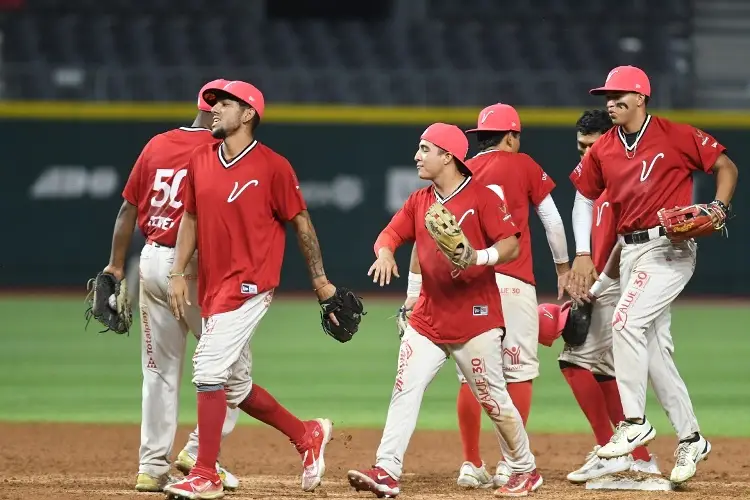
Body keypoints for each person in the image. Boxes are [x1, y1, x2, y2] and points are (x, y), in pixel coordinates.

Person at [348, 122, 542, 498]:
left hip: (477, 321)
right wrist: (386, 253)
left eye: (425, 149)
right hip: (428, 319)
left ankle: (525, 468)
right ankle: (387, 469)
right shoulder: (420, 200)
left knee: (494, 399)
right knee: (405, 389)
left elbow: (511, 244)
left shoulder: (482, 197)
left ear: (448, 156)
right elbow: (390, 234)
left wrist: (479, 257)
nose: (416, 156)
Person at [164, 80, 337, 500]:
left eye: (224, 104)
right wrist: (176, 272)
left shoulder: (273, 166)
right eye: (213, 104)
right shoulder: (201, 160)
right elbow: (189, 218)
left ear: (248, 115)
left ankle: (205, 473)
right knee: (236, 388)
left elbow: (301, 224)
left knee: (207, 371)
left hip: (250, 285)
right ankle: (307, 434)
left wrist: (320, 281)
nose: (214, 110)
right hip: (212, 287)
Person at [568, 65, 738, 484]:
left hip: (670, 247)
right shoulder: (602, 150)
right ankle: (691, 437)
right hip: (630, 252)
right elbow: (587, 199)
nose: (610, 102)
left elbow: (726, 166)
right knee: (656, 354)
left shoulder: (675, 134)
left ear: (641, 96)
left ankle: (633, 421)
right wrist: (594, 266)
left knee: (625, 321)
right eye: (606, 96)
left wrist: (718, 206)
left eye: (618, 95)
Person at [102, 79, 240, 493]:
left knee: (159, 372)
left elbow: (127, 209)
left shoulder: (158, 143)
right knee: (233, 369)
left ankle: (151, 468)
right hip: (194, 268)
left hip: (151, 262)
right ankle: (199, 452)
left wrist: (113, 266)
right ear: (219, 109)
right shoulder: (221, 151)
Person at [447, 103, 570, 488]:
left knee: (471, 375)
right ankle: (510, 464)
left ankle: (470, 463)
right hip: (514, 280)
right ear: (512, 136)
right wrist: (564, 267)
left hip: (471, 282)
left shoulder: (462, 169)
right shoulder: (524, 164)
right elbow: (551, 219)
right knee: (517, 371)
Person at [542, 109, 658, 483]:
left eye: (592, 146)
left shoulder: (628, 176)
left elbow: (632, 239)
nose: (585, 154)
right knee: (605, 371)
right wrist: (581, 256)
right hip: (608, 278)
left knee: (573, 361)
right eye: (580, 147)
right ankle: (639, 458)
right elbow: (581, 205)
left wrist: (595, 283)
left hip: (621, 279)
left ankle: (611, 449)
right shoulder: (595, 180)